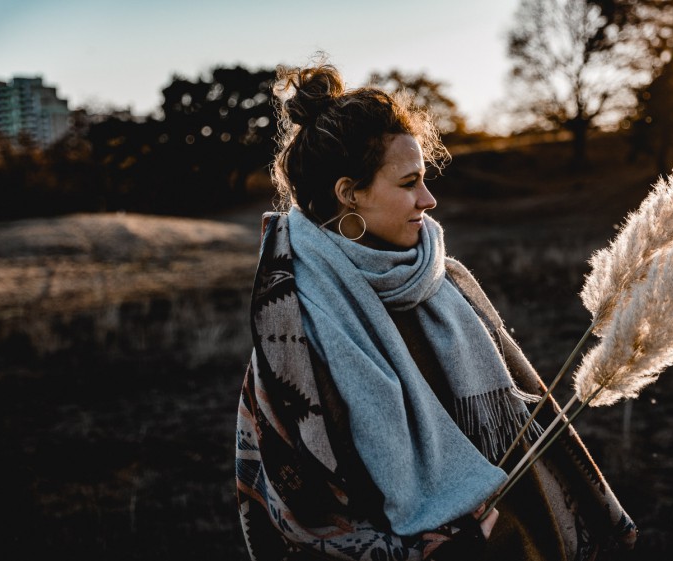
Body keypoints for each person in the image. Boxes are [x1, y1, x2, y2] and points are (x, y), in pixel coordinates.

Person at [235, 60, 636, 560]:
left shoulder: (447, 281)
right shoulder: (292, 330)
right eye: (408, 183)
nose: (429, 199)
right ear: (349, 194)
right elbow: (299, 511)